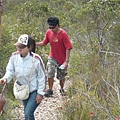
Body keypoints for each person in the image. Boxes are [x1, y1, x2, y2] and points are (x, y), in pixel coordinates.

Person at [0, 34, 46, 120]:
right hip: (22, 89)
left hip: (34, 90)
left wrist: (40, 93)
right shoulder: (14, 57)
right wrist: (5, 78)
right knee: (26, 112)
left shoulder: (36, 59)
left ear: (29, 47)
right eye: (18, 46)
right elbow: (10, 70)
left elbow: (42, 77)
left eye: (22, 47)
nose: (19, 49)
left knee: (28, 113)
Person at [36, 16, 72, 97]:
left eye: (53, 27)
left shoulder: (63, 34)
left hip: (62, 59)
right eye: (50, 27)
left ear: (57, 25)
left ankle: (62, 89)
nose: (51, 29)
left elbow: (68, 47)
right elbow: (44, 43)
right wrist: (34, 43)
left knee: (61, 76)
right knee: (50, 72)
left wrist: (66, 61)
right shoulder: (49, 32)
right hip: (52, 57)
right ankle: (50, 90)